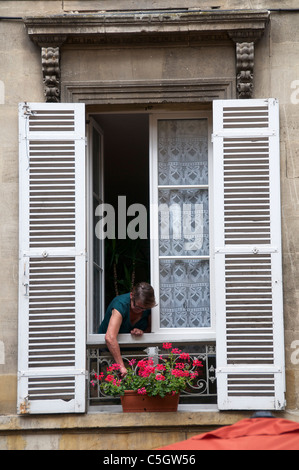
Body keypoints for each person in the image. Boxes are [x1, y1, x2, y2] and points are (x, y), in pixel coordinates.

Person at [99, 282, 157, 376]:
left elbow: (151, 330)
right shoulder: (120, 304)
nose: (140, 311)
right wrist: (121, 366)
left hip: (134, 352)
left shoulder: (147, 308)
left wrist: (143, 332)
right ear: (131, 296)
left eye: (144, 309)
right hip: (108, 352)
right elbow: (110, 337)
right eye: (137, 307)